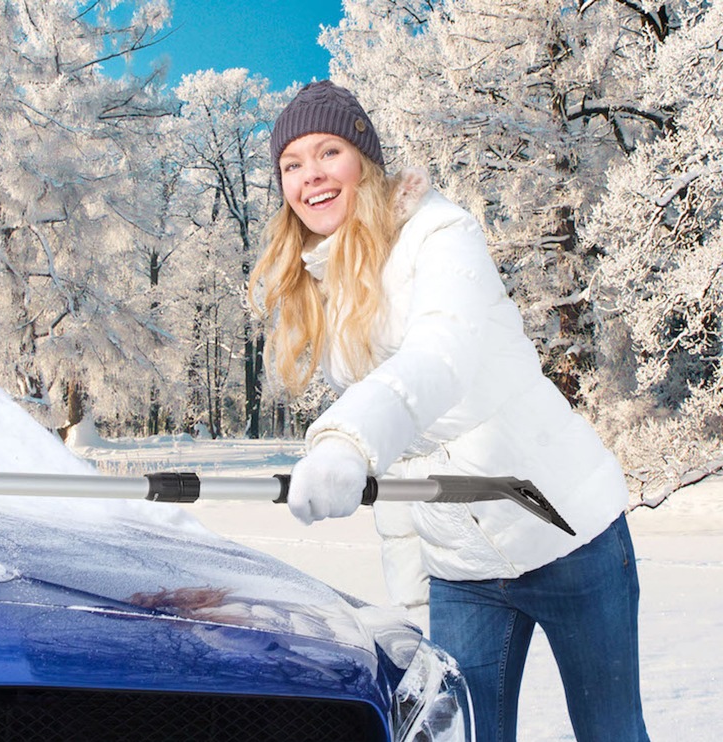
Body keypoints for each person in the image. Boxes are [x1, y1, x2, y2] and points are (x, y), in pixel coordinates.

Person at [249, 81, 649, 742]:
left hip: (566, 531)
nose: (310, 176)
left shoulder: (440, 233)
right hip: (461, 569)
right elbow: (406, 461)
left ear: (365, 162)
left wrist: (349, 437)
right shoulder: (326, 289)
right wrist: (413, 600)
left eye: (328, 152)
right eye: (292, 164)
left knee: (611, 732)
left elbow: (441, 359)